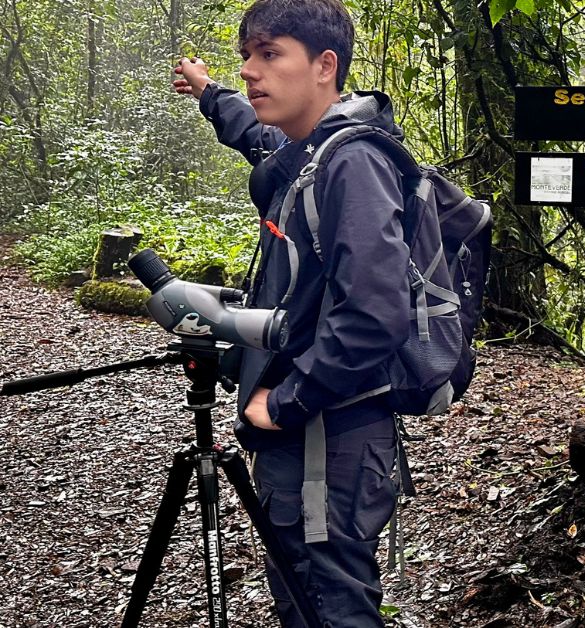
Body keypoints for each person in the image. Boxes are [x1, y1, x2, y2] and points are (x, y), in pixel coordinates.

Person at [173, 1, 407, 625]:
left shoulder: (353, 163)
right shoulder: (305, 152)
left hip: (325, 434)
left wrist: (284, 402)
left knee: (330, 605)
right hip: (304, 440)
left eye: (270, 54)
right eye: (247, 56)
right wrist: (207, 91)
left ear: (325, 66)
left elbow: (377, 314)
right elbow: (254, 134)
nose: (250, 70)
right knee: (301, 599)